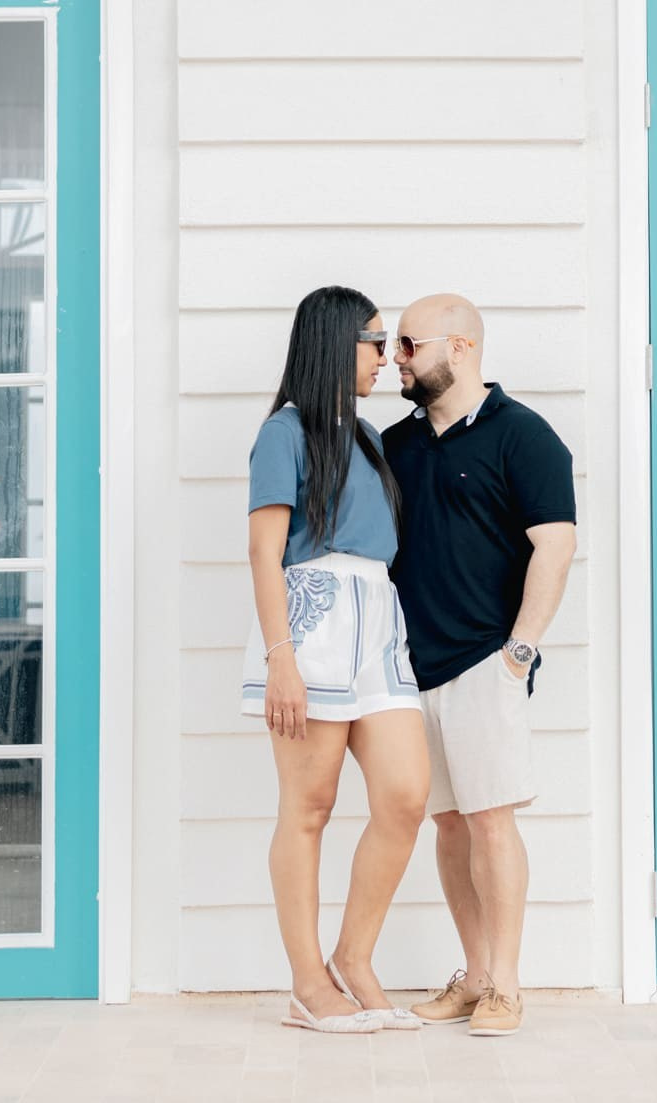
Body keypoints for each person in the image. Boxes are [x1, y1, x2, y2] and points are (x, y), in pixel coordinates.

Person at [384, 293, 576, 1039]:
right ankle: (473, 975)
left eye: (408, 343)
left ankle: (508, 983)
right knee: (450, 824)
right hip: (410, 668)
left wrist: (516, 653)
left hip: (484, 662)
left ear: (460, 346)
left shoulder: (524, 437)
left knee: (492, 821)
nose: (396, 358)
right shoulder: (397, 446)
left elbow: (554, 547)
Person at [241, 285, 431, 1035]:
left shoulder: (370, 437)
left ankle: (355, 958)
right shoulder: (283, 434)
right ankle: (307, 982)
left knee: (406, 793)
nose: (386, 358)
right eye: (375, 342)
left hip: (377, 622)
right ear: (333, 342)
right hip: (310, 618)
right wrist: (282, 655)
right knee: (309, 806)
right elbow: (263, 550)